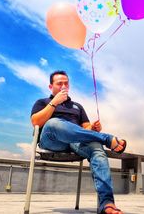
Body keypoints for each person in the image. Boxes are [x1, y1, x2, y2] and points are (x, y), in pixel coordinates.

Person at [31, 70, 126, 214]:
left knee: (97, 148)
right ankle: (107, 138)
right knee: (54, 123)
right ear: (51, 87)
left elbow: (85, 128)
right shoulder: (42, 102)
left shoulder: (77, 106)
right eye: (59, 83)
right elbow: (36, 122)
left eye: (66, 83)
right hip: (52, 141)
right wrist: (54, 103)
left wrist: (93, 128)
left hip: (75, 142)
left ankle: (107, 203)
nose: (64, 86)